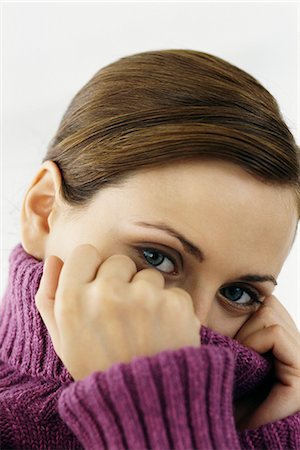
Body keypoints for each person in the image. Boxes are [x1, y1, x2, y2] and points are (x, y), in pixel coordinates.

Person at [0, 49, 299, 450]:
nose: (188, 322)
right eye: (157, 257)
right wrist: (158, 410)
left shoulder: (272, 412)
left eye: (237, 293)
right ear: (43, 209)